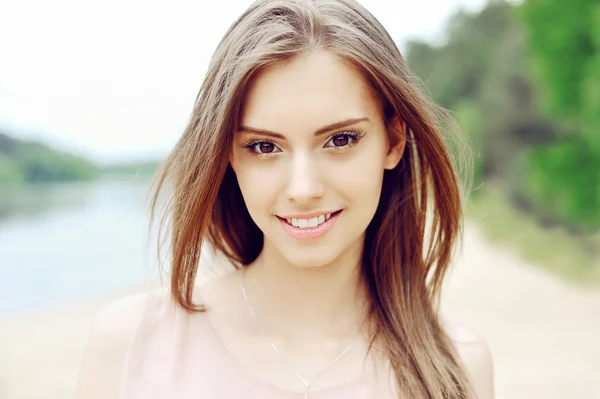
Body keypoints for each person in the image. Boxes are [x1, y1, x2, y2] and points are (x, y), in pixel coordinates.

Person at [77, 0, 494, 398]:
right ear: (228, 155)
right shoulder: (131, 345)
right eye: (264, 147)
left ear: (394, 141)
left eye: (341, 139)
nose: (303, 189)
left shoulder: (458, 367)